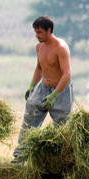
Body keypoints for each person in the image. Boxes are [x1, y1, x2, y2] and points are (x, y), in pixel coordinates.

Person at [12, 16, 73, 163]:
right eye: (35, 32)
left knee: (63, 126)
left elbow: (67, 74)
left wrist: (54, 96)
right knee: (30, 114)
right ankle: (20, 155)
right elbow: (39, 68)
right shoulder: (39, 47)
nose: (37, 35)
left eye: (39, 32)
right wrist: (32, 86)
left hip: (61, 90)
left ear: (49, 30)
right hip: (43, 87)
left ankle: (67, 159)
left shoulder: (61, 48)